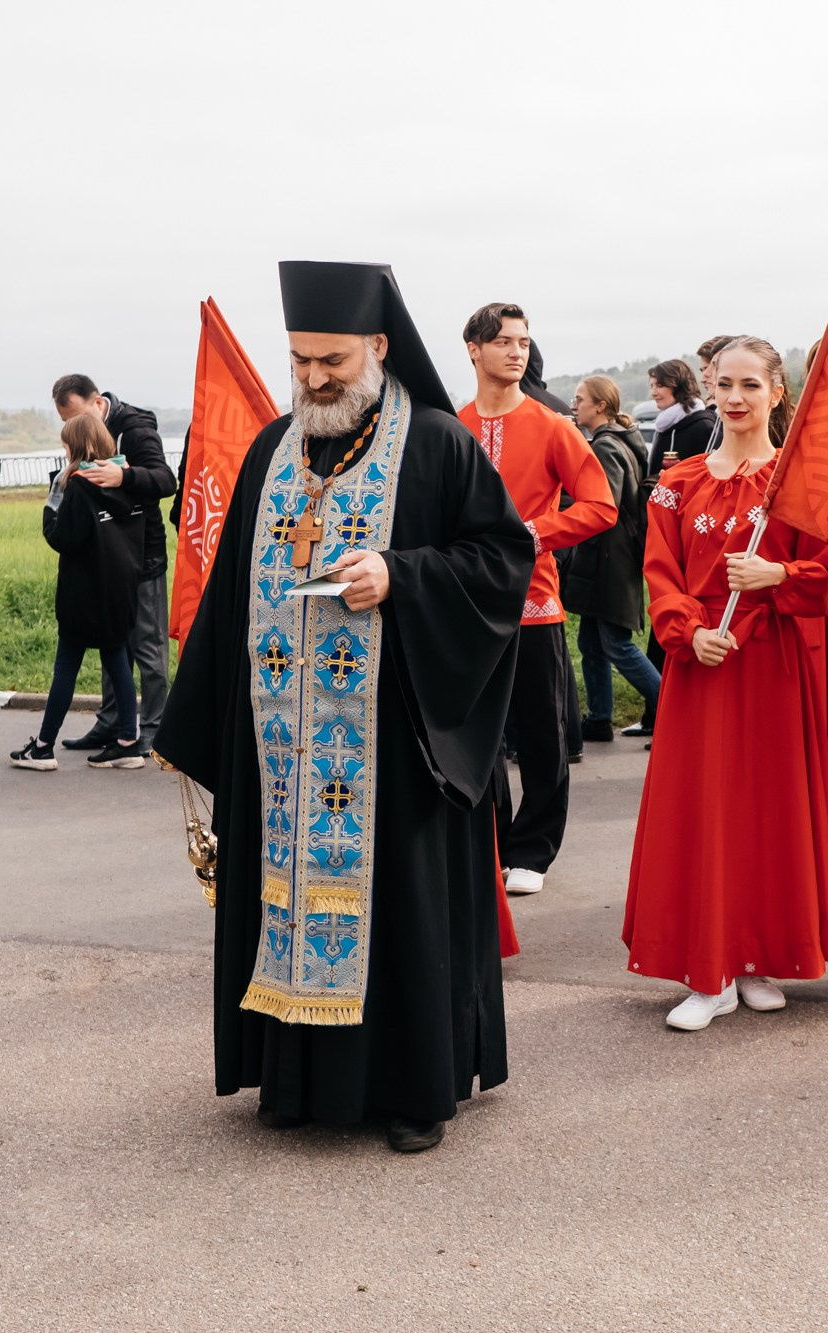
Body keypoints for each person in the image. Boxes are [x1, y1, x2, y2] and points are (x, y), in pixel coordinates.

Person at [155, 259, 532, 1153]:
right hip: (283, 742)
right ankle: (298, 1082)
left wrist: (400, 575)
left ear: (378, 347)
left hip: (392, 739)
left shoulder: (436, 443)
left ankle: (413, 1089)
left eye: (332, 360)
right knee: (282, 898)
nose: (315, 378)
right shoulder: (271, 450)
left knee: (397, 912)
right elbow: (228, 589)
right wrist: (202, 718)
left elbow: (502, 562)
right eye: (301, 361)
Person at [622, 336, 828, 1030]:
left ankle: (756, 955)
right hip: (703, 666)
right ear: (709, 387)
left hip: (772, 668)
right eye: (724, 383)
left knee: (766, 812)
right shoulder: (677, 481)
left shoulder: (799, 481)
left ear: (777, 393)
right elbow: (659, 571)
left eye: (751, 384)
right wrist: (687, 631)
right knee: (704, 810)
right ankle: (710, 971)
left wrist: (779, 575)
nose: (735, 397)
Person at [457, 301, 617, 896]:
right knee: (475, 734)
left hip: (535, 601)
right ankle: (491, 843)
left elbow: (601, 506)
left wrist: (533, 534)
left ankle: (533, 851)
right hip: (466, 605)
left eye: (523, 342)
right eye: (503, 341)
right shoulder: (453, 426)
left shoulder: (553, 426)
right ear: (474, 349)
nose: (516, 351)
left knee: (543, 735)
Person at [9, 414, 146, 772]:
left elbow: (62, 538)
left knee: (66, 667)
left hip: (84, 592)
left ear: (76, 447)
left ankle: (43, 748)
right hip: (121, 587)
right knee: (118, 661)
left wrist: (51, 504)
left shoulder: (79, 486)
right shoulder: (126, 478)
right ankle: (128, 742)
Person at [52, 374, 178, 753]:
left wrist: (123, 474)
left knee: (148, 647)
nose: (74, 427)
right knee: (111, 642)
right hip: (102, 560)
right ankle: (111, 723)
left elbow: (166, 480)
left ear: (97, 402)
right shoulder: (89, 433)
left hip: (143, 555)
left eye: (77, 417)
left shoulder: (135, 429)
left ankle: (153, 730)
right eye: (67, 422)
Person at [564, 375, 658, 744]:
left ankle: (671, 705)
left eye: (580, 399)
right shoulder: (621, 440)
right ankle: (599, 719)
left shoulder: (605, 447)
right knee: (590, 643)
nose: (574, 405)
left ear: (600, 406)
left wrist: (566, 506)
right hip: (610, 557)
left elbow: (604, 506)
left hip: (608, 560)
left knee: (616, 642)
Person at [646, 359, 713, 470]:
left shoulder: (703, 427)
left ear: (680, 386)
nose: (653, 393)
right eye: (651, 386)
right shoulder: (665, 425)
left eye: (660, 385)